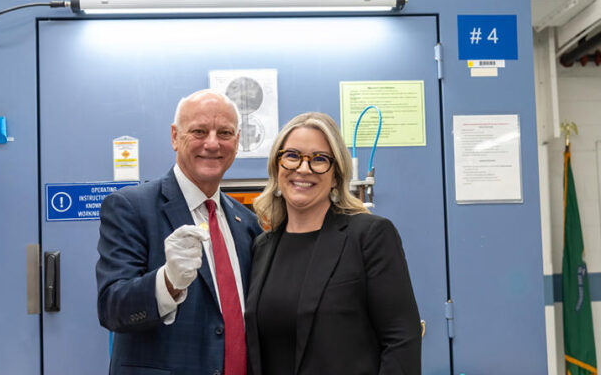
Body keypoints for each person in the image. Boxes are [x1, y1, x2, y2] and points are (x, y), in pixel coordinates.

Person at [96, 90, 263, 375]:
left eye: (224, 133)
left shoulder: (246, 222)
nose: (212, 143)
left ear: (237, 142)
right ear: (175, 136)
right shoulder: (130, 207)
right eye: (199, 131)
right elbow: (112, 308)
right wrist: (168, 282)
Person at [245, 112, 422, 375]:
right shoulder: (262, 247)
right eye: (292, 156)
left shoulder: (369, 236)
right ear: (277, 166)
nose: (303, 168)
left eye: (319, 159)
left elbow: (402, 339)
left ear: (336, 175)